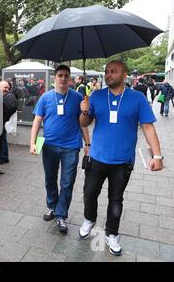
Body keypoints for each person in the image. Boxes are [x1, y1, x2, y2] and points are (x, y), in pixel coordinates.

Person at [79, 60, 164, 256]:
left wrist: (157, 155)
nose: (108, 75)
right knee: (89, 193)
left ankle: (111, 233)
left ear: (124, 74)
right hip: (97, 158)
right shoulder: (97, 96)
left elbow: (148, 127)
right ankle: (89, 219)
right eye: (107, 72)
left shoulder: (138, 98)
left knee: (115, 199)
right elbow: (84, 122)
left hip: (123, 161)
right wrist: (84, 111)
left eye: (113, 71)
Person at [30, 65, 91, 233]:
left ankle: (61, 215)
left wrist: (88, 144)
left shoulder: (78, 97)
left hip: (71, 147)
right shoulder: (45, 97)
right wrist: (32, 142)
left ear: (70, 78)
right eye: (60, 75)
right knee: (50, 178)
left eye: (66, 75)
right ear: (55, 78)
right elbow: (37, 120)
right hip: (49, 145)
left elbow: (83, 123)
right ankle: (52, 206)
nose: (63, 78)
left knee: (67, 182)